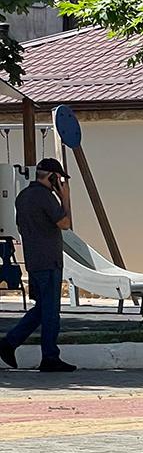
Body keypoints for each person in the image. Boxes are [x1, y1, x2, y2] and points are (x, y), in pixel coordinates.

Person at [0, 158, 76, 372]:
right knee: (51, 312)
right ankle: (50, 357)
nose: (60, 183)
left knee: (43, 309)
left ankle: (9, 343)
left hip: (33, 260)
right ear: (51, 176)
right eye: (58, 179)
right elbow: (65, 224)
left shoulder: (23, 196)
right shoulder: (45, 197)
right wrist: (65, 199)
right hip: (49, 260)